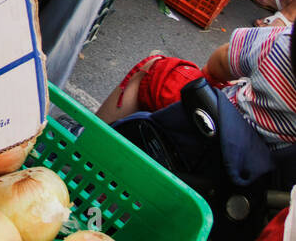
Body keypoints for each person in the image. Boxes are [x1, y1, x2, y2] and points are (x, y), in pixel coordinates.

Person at [96, 25, 296, 149]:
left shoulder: (281, 42)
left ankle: (88, 141)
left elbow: (218, 64)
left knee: (156, 70)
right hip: (254, 172)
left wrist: (212, 81)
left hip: (211, 125)